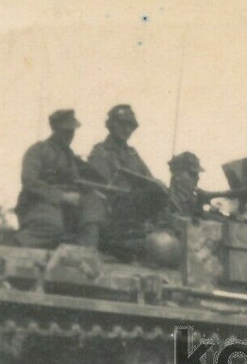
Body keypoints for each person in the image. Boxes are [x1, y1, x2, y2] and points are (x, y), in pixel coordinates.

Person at [15, 109, 106, 249]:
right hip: (39, 202)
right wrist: (62, 196)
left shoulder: (72, 158)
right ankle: (15, 246)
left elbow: (92, 179)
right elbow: (30, 182)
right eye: (65, 131)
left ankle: (86, 254)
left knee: (93, 204)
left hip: (67, 205)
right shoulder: (38, 150)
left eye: (72, 131)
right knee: (52, 226)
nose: (70, 135)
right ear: (55, 129)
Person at [87, 105, 166, 259]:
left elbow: (148, 178)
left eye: (131, 126)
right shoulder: (100, 151)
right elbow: (101, 184)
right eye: (122, 124)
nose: (127, 129)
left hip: (133, 211)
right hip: (111, 208)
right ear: (111, 125)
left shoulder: (132, 154)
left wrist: (157, 183)